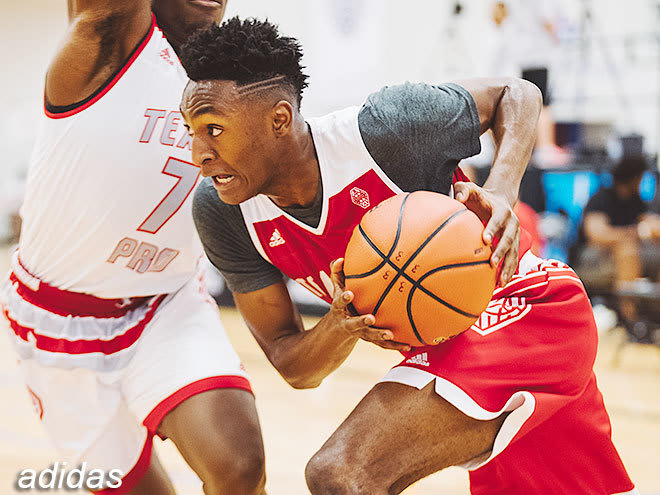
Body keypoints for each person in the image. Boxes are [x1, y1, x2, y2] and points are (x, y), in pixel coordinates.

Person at [180, 18, 636, 494]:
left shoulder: (386, 130)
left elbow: (515, 93)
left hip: (524, 309)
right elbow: (294, 366)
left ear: (278, 119)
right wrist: (338, 325)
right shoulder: (224, 212)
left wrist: (501, 189)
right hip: (448, 345)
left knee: (340, 474)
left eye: (213, 129)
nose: (198, 153)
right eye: (190, 130)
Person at [0, 2, 267, 494]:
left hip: (167, 305)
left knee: (239, 469)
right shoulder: (105, 44)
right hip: (59, 321)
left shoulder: (237, 80)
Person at [578, 155, 660, 340]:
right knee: (627, 250)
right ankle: (630, 319)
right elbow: (597, 234)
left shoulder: (636, 201)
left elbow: (649, 224)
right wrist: (634, 234)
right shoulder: (602, 198)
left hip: (630, 255)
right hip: (593, 257)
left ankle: (654, 313)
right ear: (635, 177)